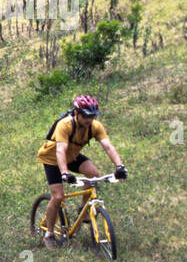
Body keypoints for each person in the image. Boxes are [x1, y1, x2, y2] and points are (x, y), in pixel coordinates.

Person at [36, 94, 127, 247]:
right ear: (77, 113)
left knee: (93, 174)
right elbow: (60, 151)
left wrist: (120, 167)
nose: (89, 120)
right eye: (85, 116)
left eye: (92, 116)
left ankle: (83, 210)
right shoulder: (64, 125)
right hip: (52, 159)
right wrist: (64, 173)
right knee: (58, 197)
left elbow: (108, 147)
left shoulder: (95, 126)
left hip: (72, 156)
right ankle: (49, 234)